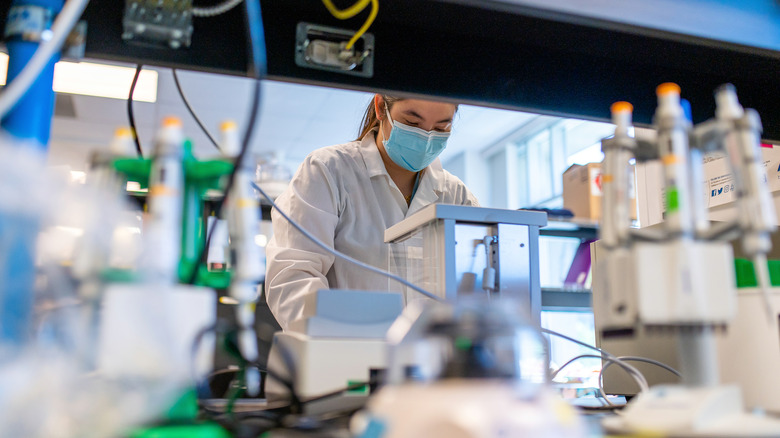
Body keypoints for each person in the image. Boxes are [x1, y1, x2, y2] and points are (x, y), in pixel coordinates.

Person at [265, 94, 479, 331]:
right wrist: (343, 342)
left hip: (431, 361)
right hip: (347, 357)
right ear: (380, 107)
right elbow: (293, 277)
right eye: (412, 123)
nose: (426, 138)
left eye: (441, 127)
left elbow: (478, 290)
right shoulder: (329, 170)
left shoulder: (457, 196)